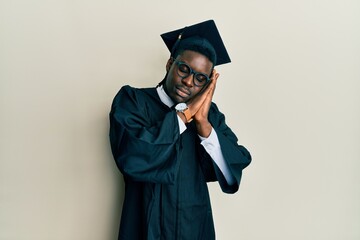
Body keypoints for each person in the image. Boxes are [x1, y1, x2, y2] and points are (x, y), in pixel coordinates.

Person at [109, 19, 251, 240]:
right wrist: (185, 115)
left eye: (200, 78)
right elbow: (133, 157)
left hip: (193, 228)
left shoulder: (210, 115)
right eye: (184, 69)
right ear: (169, 64)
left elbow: (234, 166)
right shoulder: (133, 100)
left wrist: (203, 124)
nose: (188, 82)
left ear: (207, 84)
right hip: (145, 228)